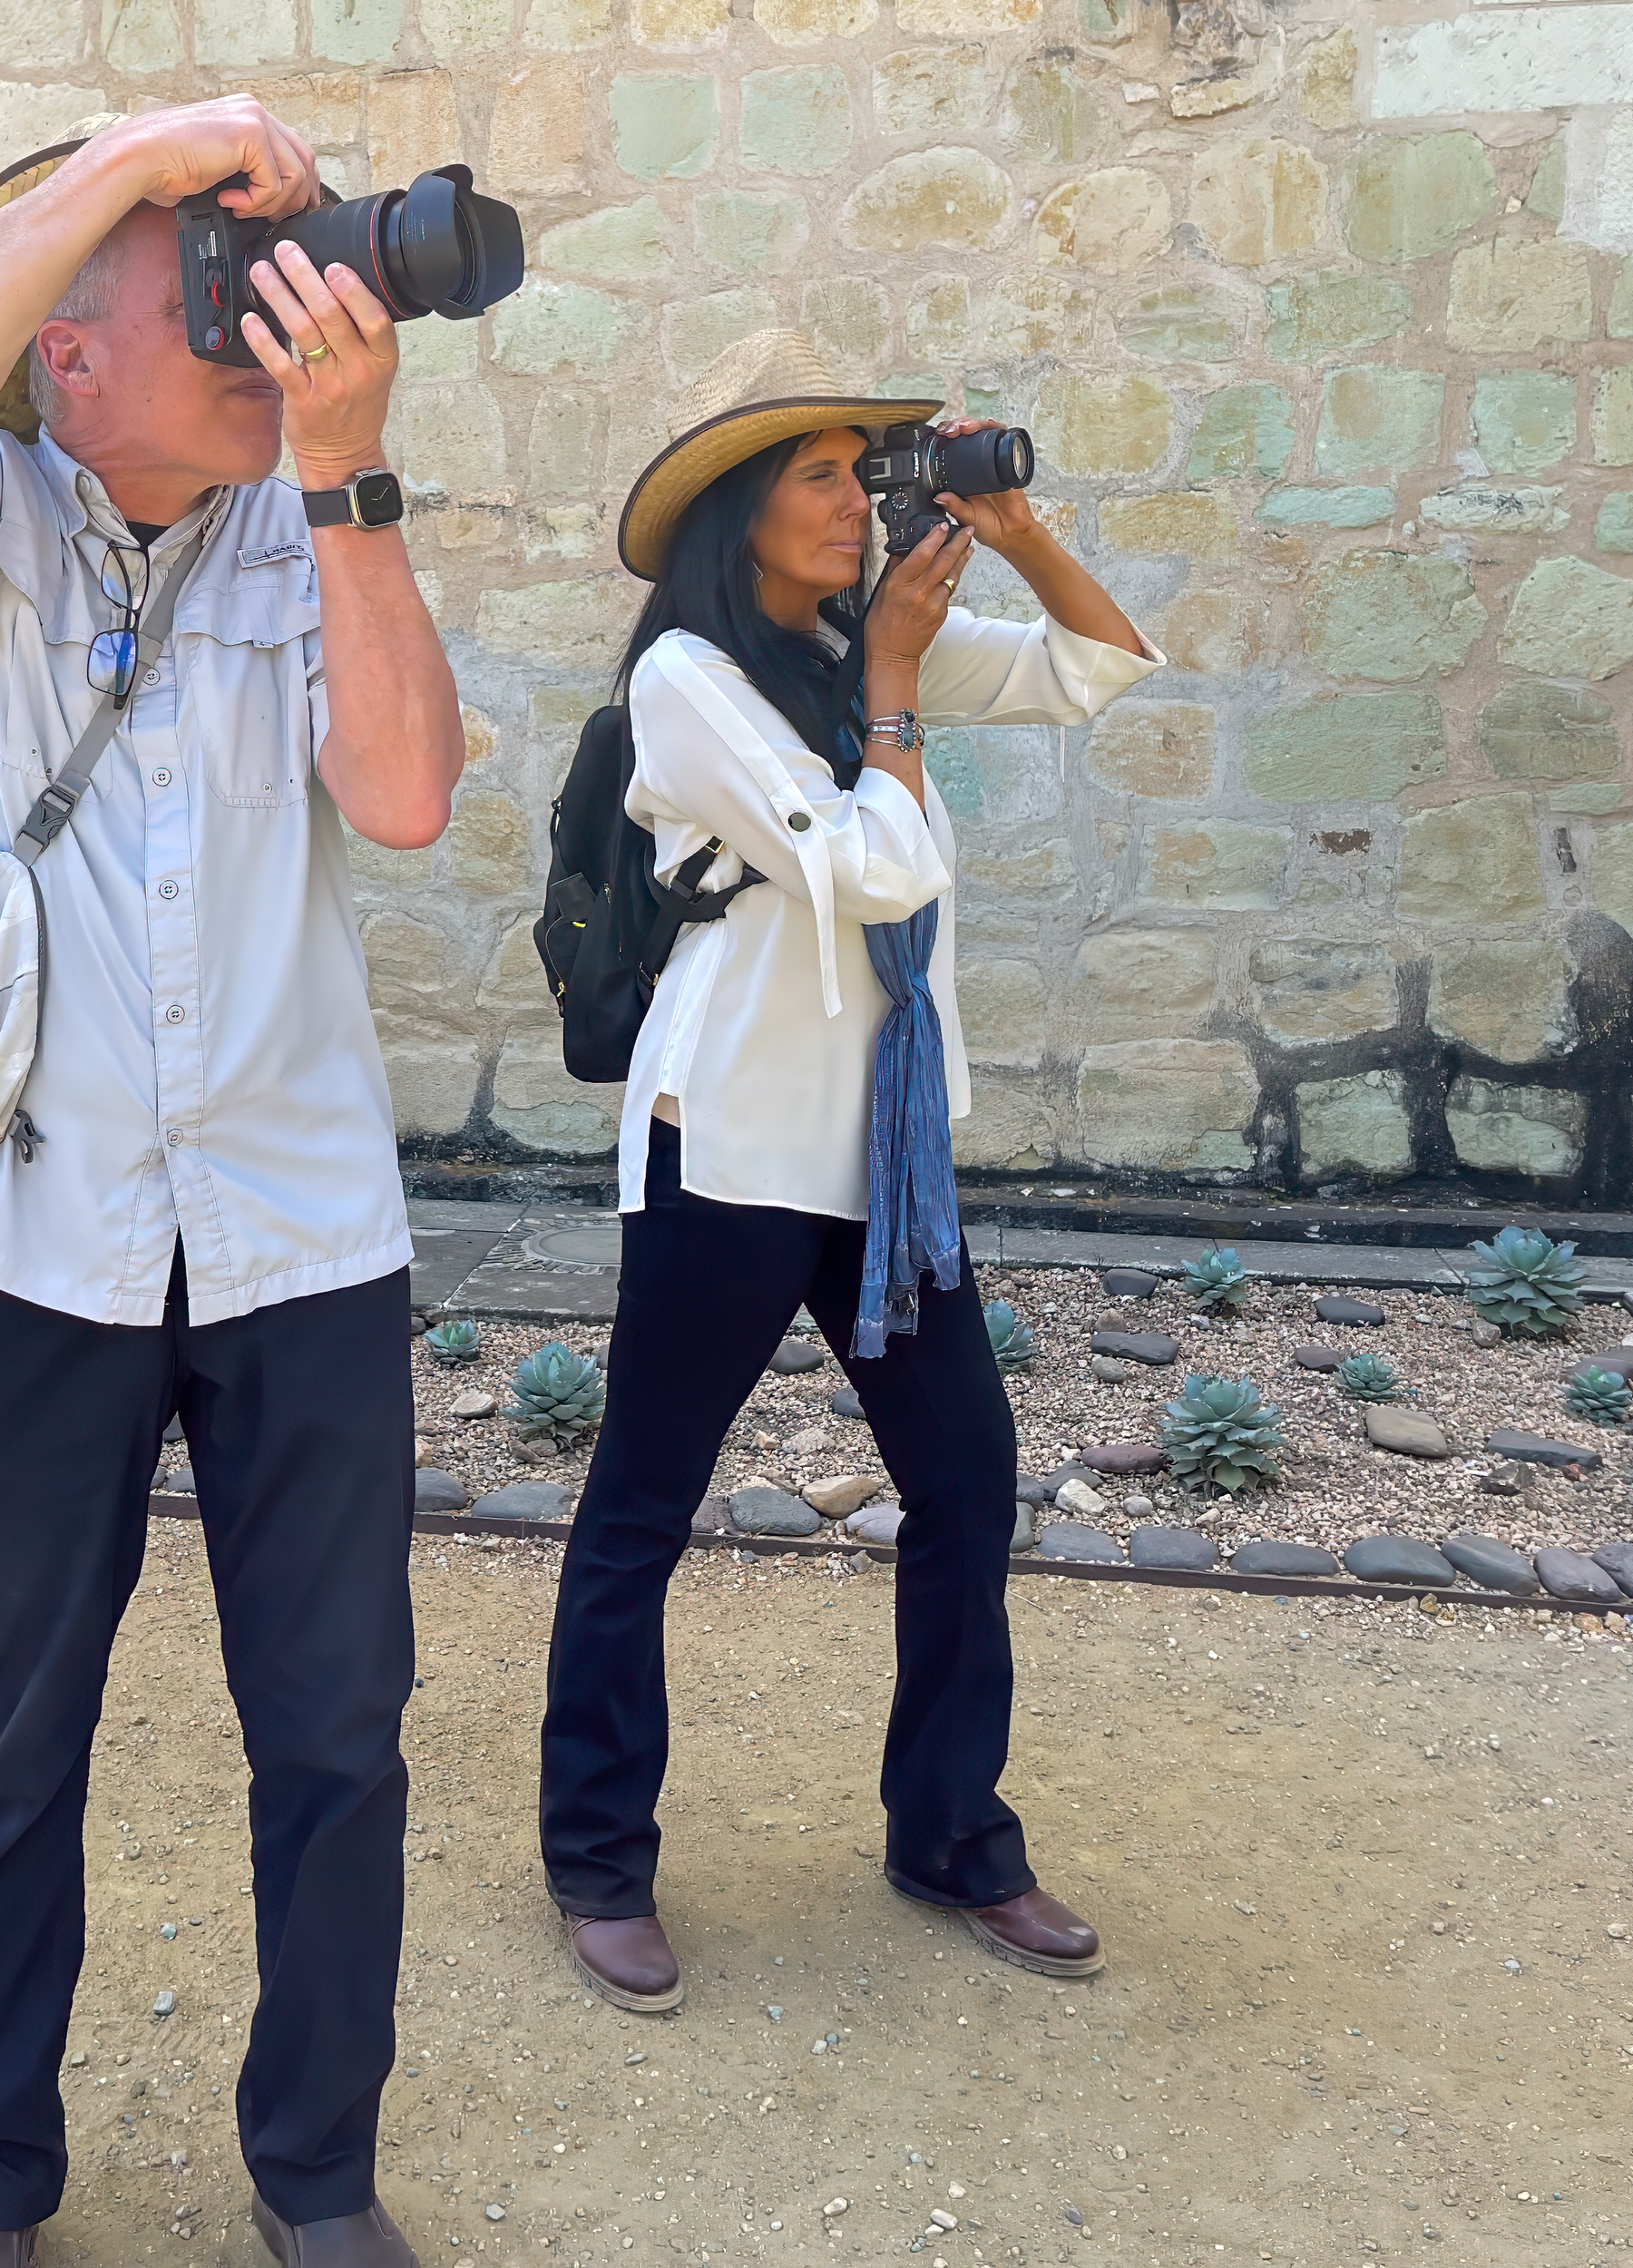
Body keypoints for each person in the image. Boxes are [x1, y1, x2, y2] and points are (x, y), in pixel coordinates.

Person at [0, 98, 463, 2268]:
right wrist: (134, 163)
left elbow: (402, 791)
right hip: (19, 1235)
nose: (255, 318)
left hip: (296, 1240)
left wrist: (347, 474)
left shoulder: (308, 519)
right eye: (200, 294)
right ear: (71, 354)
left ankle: (319, 2173)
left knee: (339, 1738)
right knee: (8, 1733)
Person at [535, 330, 1165, 2014]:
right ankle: (598, 1854)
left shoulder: (847, 648)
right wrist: (897, 673)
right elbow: (876, 877)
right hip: (731, 1146)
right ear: (740, 512)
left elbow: (1102, 663)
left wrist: (1010, 528)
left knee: (964, 1481)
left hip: (882, 1162)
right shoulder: (692, 685)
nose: (854, 504)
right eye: (821, 476)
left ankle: (950, 1836)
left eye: (862, 475)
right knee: (644, 1505)